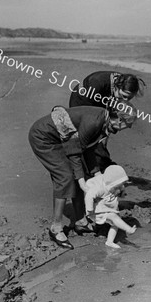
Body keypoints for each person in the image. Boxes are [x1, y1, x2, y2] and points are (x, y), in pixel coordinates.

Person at [28, 103, 137, 249]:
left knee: (80, 176)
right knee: (65, 177)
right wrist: (81, 181)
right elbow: (74, 151)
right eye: (128, 123)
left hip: (62, 138)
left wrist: (97, 174)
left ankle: (80, 222)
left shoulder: (104, 121)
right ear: (117, 118)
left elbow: (88, 148)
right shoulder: (94, 122)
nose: (129, 127)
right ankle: (56, 228)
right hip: (44, 137)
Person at [69, 71, 145, 171]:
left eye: (129, 98)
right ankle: (98, 168)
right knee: (92, 138)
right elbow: (91, 114)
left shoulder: (123, 81)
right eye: (124, 96)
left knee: (103, 134)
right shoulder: (96, 84)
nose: (126, 100)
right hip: (82, 101)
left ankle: (102, 166)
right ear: (118, 87)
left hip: (100, 100)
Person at [85, 165, 136, 248]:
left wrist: (122, 193)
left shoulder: (118, 186)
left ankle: (109, 241)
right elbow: (89, 196)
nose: (121, 186)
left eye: (122, 184)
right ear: (111, 183)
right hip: (98, 210)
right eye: (118, 185)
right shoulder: (101, 188)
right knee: (113, 217)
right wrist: (89, 210)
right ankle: (129, 229)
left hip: (109, 207)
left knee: (115, 223)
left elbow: (122, 190)